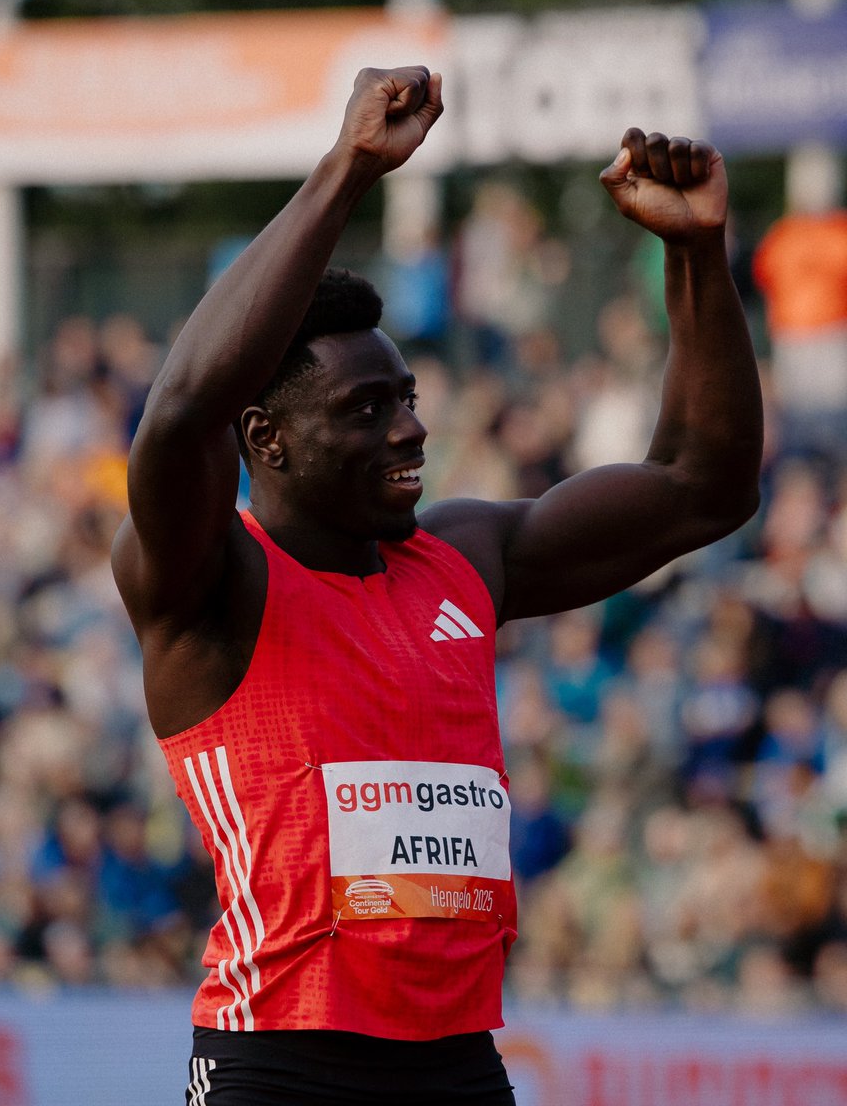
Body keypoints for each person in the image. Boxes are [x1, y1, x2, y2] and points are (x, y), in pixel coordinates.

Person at [111, 66, 763, 1105]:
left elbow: (703, 487)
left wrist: (695, 256)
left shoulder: (465, 556)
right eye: (367, 409)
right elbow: (184, 409)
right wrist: (349, 169)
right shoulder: (207, 582)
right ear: (267, 440)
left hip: (459, 1065)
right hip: (278, 1062)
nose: (410, 427)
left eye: (407, 398)